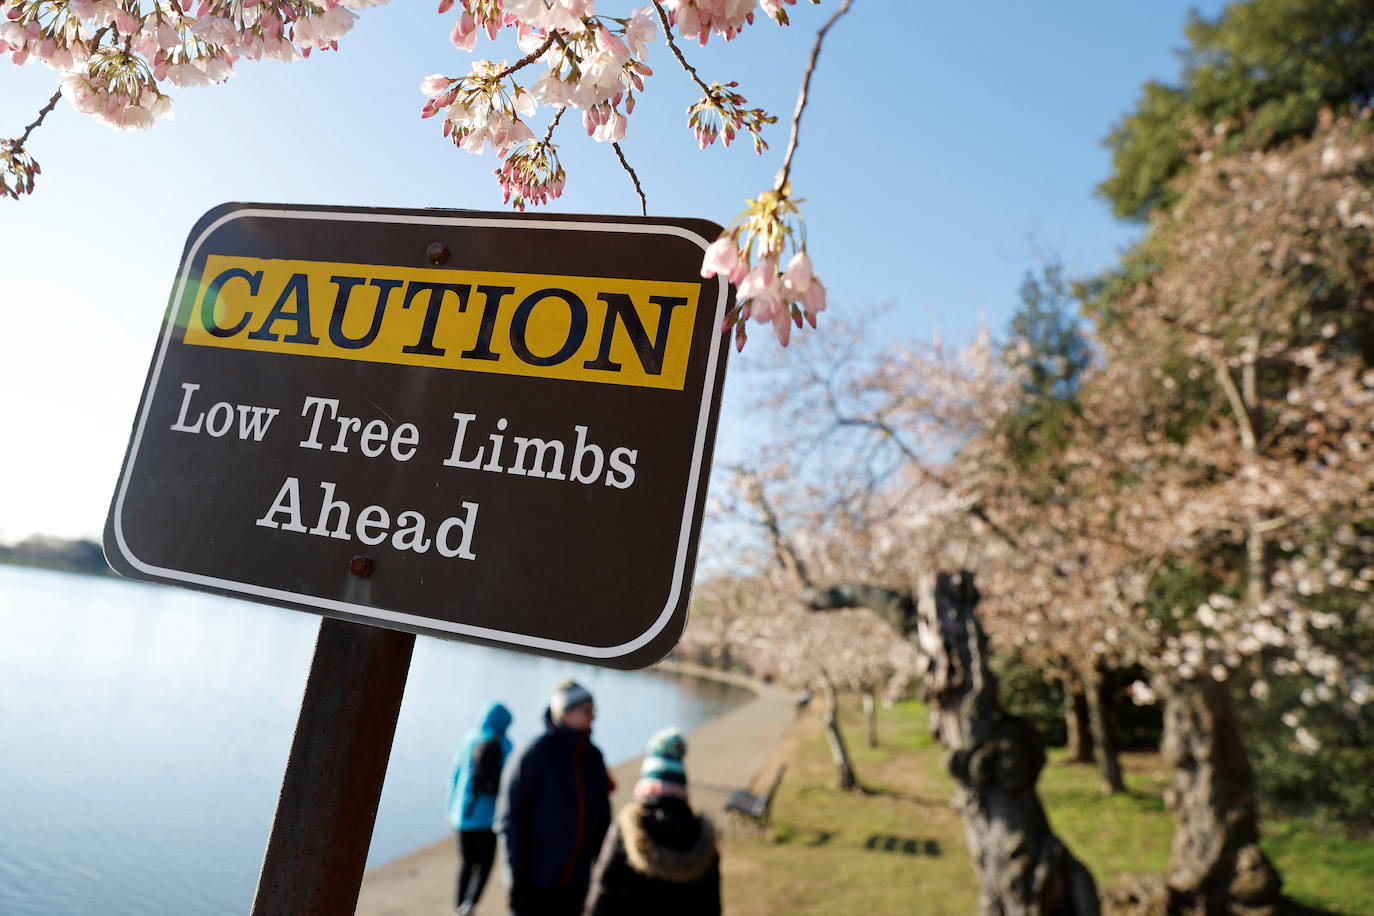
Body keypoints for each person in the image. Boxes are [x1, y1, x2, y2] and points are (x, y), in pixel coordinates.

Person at [497, 680, 611, 916]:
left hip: (575, 889)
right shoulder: (534, 754)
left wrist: (605, 876)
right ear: (566, 714)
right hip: (533, 886)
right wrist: (515, 881)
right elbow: (509, 821)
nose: (594, 717)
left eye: (594, 711)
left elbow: (602, 823)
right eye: (587, 711)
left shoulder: (594, 758)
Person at [585, 727, 721, 916]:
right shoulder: (702, 837)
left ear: (646, 786)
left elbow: (602, 894)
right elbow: (712, 906)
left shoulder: (625, 830)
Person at [447, 701, 514, 916]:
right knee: (485, 863)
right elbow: (510, 785)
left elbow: (454, 774)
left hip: (462, 816)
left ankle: (458, 906)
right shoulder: (506, 745)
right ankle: (471, 904)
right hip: (489, 819)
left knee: (466, 863)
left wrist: (450, 810)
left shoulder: (468, 739)